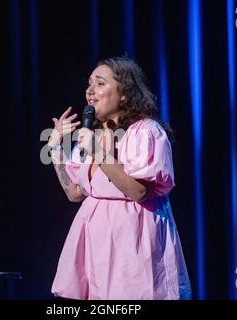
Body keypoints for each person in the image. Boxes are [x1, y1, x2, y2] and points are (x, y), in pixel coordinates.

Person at [47, 57, 192, 300]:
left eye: (100, 83)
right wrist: (54, 147)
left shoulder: (146, 131)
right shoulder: (91, 136)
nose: (90, 91)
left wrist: (98, 152)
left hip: (133, 240)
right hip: (97, 243)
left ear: (124, 93)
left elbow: (138, 191)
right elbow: (74, 193)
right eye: (89, 84)